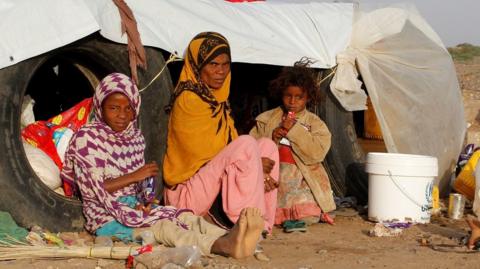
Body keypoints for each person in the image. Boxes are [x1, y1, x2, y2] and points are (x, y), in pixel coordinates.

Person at [60, 72, 264, 258]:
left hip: (131, 208)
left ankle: (237, 236)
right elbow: (93, 190)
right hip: (106, 217)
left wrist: (143, 199)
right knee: (165, 229)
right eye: (113, 108)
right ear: (100, 108)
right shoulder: (87, 139)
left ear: (135, 110)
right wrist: (135, 176)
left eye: (128, 108)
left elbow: (136, 189)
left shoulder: (133, 137)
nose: (122, 115)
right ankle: (222, 245)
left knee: (184, 217)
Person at [163, 32, 279, 233]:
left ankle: (261, 222)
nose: (221, 71)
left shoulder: (216, 99)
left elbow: (227, 148)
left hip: (212, 185)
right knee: (247, 145)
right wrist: (255, 167)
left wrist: (257, 169)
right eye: (213, 65)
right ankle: (244, 223)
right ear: (198, 67)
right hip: (188, 194)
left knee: (266, 146)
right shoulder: (188, 100)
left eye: (225, 65)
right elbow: (204, 157)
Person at [249, 59, 336, 230]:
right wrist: (271, 137)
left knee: (307, 213)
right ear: (281, 94)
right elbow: (250, 147)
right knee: (263, 207)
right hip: (275, 175)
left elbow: (317, 153)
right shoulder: (266, 119)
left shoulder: (315, 124)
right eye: (288, 95)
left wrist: (295, 130)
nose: (292, 101)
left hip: (303, 179)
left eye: (299, 97)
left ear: (308, 98)